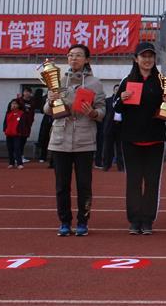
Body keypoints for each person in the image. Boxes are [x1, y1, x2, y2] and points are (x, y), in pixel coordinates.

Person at [46, 44, 106, 237]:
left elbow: (102, 110)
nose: (74, 58)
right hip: (60, 139)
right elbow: (47, 110)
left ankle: (83, 221)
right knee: (62, 185)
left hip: (84, 140)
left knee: (84, 185)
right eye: (71, 55)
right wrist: (50, 100)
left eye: (79, 55)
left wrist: (94, 112)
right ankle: (64, 222)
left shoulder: (94, 83)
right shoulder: (57, 80)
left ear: (87, 59)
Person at [112, 42, 166, 235]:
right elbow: (116, 108)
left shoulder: (162, 81)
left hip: (155, 139)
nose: (147, 60)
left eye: (150, 56)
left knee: (152, 181)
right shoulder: (127, 80)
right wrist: (122, 98)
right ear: (135, 59)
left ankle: (147, 220)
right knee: (133, 181)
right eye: (143, 56)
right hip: (131, 139)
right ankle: (134, 220)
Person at [3, 99, 28, 169]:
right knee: (10, 149)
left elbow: (23, 124)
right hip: (9, 134)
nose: (14, 105)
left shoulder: (21, 113)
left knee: (17, 148)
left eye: (15, 104)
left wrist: (20, 132)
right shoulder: (8, 113)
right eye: (12, 103)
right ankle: (11, 163)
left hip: (17, 135)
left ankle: (19, 163)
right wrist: (5, 130)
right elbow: (5, 122)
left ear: (19, 105)